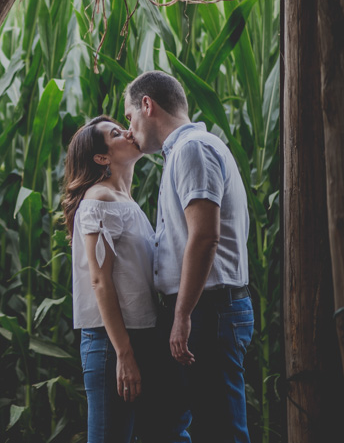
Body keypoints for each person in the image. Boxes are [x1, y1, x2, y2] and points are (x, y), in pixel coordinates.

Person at [123, 70, 253, 443]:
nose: (129, 131)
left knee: (220, 431)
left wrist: (181, 315)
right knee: (172, 426)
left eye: (130, 118)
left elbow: (205, 236)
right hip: (201, 309)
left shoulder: (193, 148)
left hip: (207, 311)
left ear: (148, 105)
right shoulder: (183, 151)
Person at [62, 115, 159, 443]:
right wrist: (124, 354)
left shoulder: (125, 202)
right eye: (116, 133)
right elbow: (99, 281)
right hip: (110, 343)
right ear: (102, 158)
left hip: (136, 337)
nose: (129, 132)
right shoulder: (99, 200)